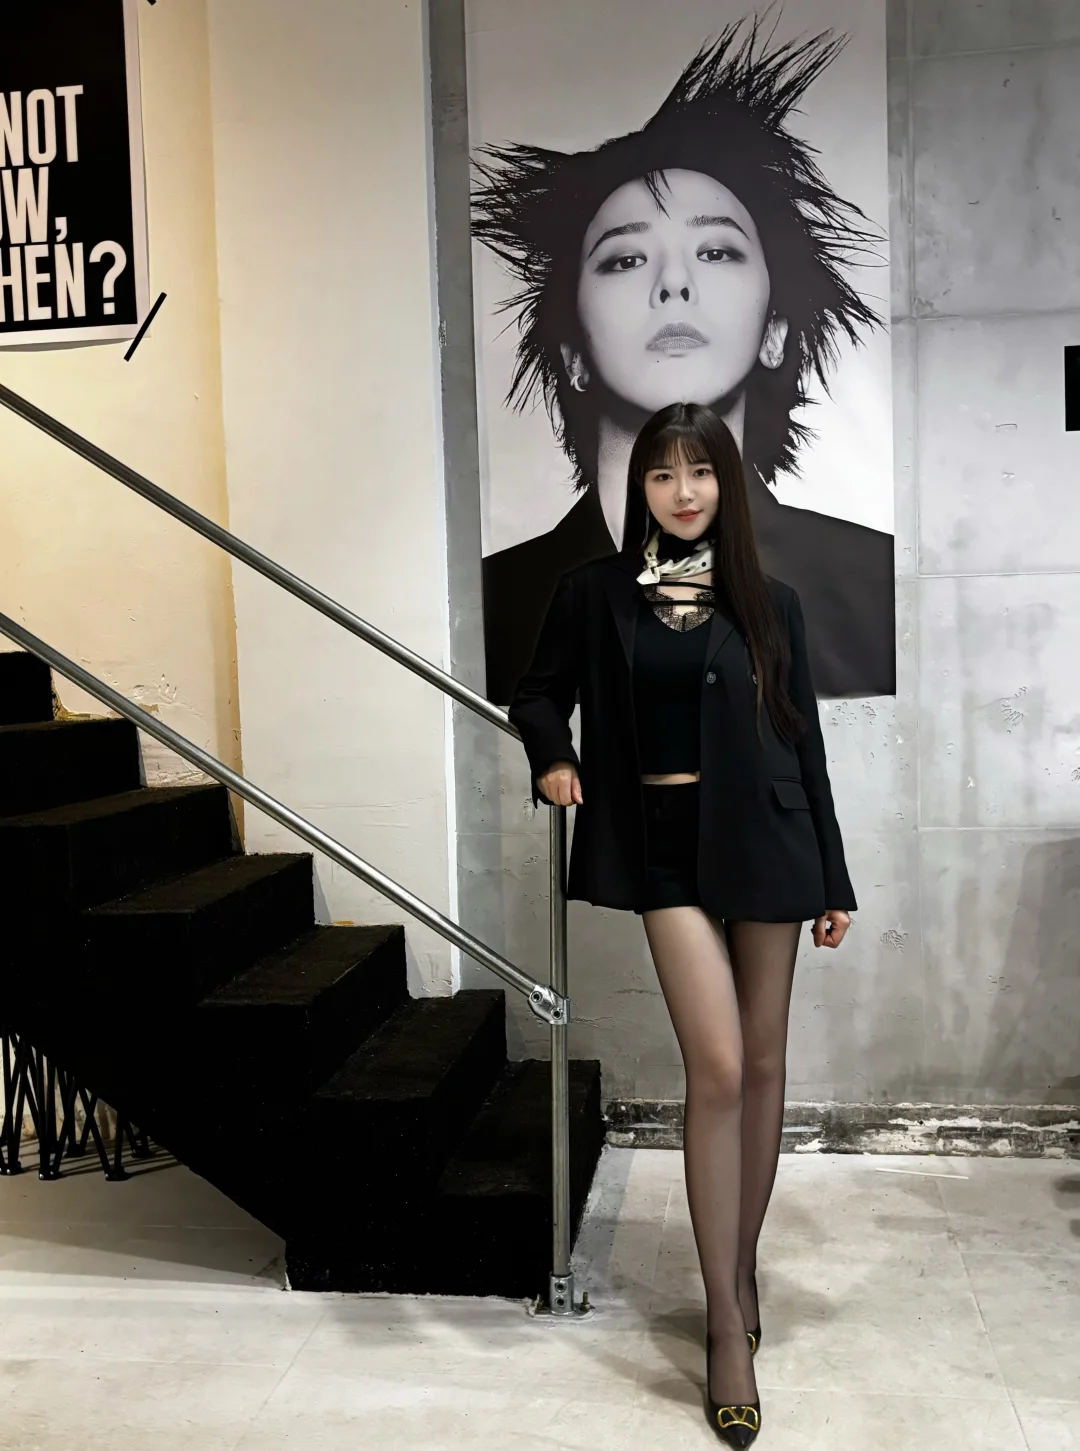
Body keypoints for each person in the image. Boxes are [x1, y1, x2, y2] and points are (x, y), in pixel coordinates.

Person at [508, 401, 856, 1447]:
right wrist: (554, 757)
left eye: (700, 472)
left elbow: (804, 741)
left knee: (764, 1063)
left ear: (726, 484)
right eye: (662, 474)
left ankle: (738, 1274)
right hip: (660, 850)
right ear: (641, 488)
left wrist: (834, 876)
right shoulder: (593, 592)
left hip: (770, 843)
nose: (683, 491)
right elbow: (537, 694)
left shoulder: (770, 602)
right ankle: (724, 1328)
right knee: (717, 1065)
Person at [473, 19, 895, 706]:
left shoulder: (873, 579)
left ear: (775, 332)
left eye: (716, 251)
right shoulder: (498, 597)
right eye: (625, 259)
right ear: (574, 354)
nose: (674, 284)